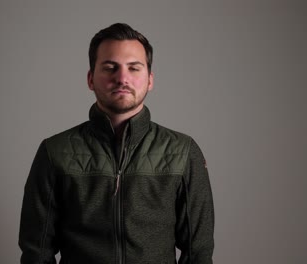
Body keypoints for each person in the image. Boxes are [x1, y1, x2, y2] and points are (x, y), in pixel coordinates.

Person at [19, 23, 214, 264]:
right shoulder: (55, 152)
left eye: (134, 68)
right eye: (110, 67)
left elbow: (199, 253)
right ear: (91, 79)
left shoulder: (183, 152)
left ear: (150, 79)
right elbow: (36, 252)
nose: (122, 78)